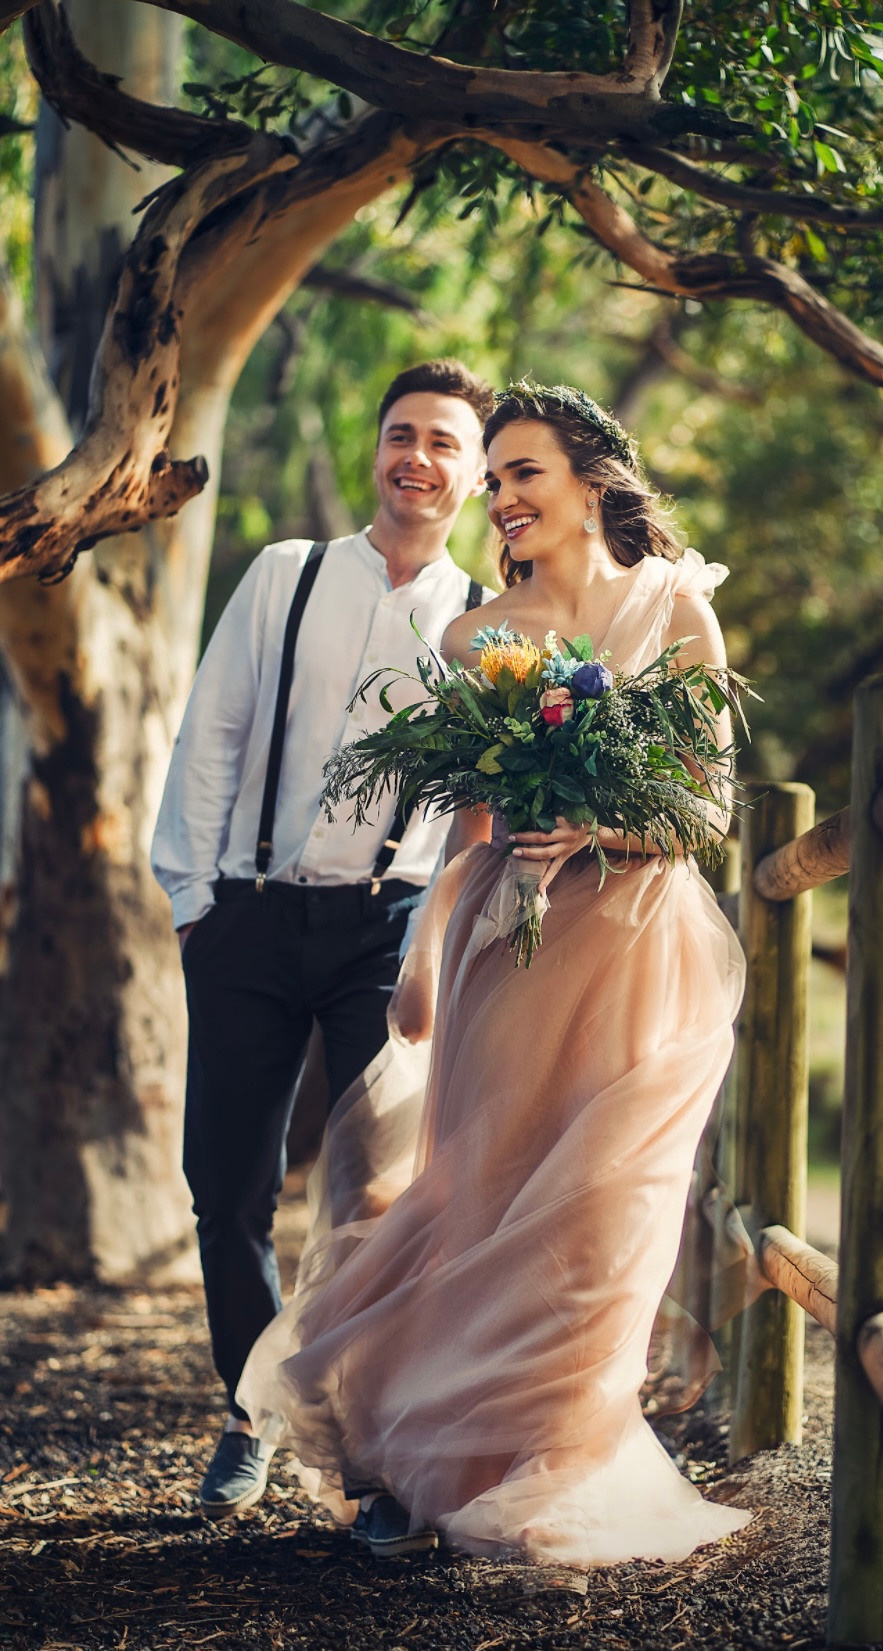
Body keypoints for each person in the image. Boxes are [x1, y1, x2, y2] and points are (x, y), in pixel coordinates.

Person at [238, 383, 755, 1568]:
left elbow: (708, 804)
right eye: (500, 476)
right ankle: (457, 1458)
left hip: (638, 943)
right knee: (491, 1193)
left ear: (591, 481)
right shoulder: (478, 638)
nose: (505, 497)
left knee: (604, 1206)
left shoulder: (678, 604)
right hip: (508, 945)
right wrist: (427, 959)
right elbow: (471, 816)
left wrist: (595, 832)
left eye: (526, 473)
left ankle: (564, 1462)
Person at [150, 358, 496, 1521]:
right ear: (377, 448)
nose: (420, 458)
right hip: (247, 914)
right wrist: (195, 901)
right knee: (228, 1184)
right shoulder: (285, 575)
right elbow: (214, 729)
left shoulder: (486, 626)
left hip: (383, 938)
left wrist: (440, 950)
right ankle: (250, 1411)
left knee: (373, 1201)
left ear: (477, 471)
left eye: (447, 442)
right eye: (404, 433)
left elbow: (479, 808)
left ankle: (373, 1449)